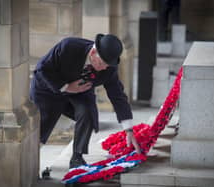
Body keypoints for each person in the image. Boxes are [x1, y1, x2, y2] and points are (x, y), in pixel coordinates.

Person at [29, 34, 141, 168]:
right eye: (101, 64)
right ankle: (28, 163)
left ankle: (77, 157)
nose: (105, 68)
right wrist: (66, 87)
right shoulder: (69, 47)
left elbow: (118, 96)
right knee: (39, 130)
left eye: (107, 65)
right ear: (93, 53)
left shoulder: (109, 67)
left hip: (80, 91)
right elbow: (41, 69)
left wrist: (129, 130)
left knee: (87, 112)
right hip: (50, 88)